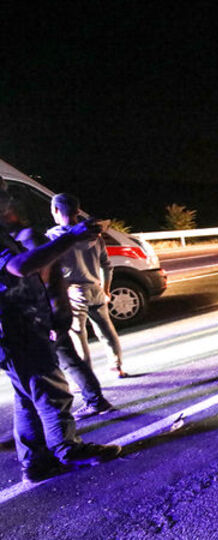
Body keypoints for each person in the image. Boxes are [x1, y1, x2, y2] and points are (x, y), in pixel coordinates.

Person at [0, 188, 122, 483]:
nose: (9, 200)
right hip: (16, 327)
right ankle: (68, 450)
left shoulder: (10, 231)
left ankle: (36, 463)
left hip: (19, 325)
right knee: (53, 390)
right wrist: (72, 236)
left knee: (27, 396)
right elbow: (21, 266)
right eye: (3, 194)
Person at [46, 194, 126, 378]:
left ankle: (87, 376)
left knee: (78, 335)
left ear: (56, 210)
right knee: (106, 330)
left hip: (73, 292)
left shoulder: (53, 237)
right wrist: (106, 289)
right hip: (96, 288)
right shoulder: (94, 235)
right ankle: (116, 366)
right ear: (77, 211)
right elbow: (106, 265)